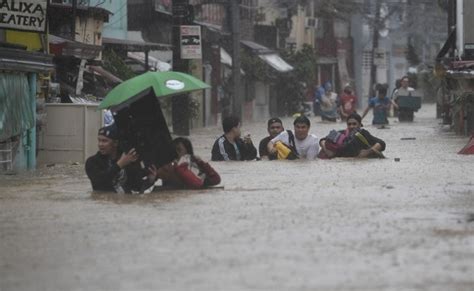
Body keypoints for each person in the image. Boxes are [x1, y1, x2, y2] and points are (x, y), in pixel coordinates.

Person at [85, 125, 158, 193]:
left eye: (104, 141)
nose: (100, 144)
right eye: (99, 140)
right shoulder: (92, 162)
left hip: (125, 203)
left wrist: (150, 180)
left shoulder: (128, 160)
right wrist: (119, 164)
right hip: (104, 203)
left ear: (116, 143)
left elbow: (136, 187)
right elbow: (99, 184)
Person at [319, 113, 386, 159]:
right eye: (349, 124)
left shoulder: (363, 133)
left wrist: (367, 152)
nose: (351, 126)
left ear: (359, 125)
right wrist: (327, 150)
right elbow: (323, 140)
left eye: (354, 124)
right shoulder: (341, 134)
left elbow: (381, 143)